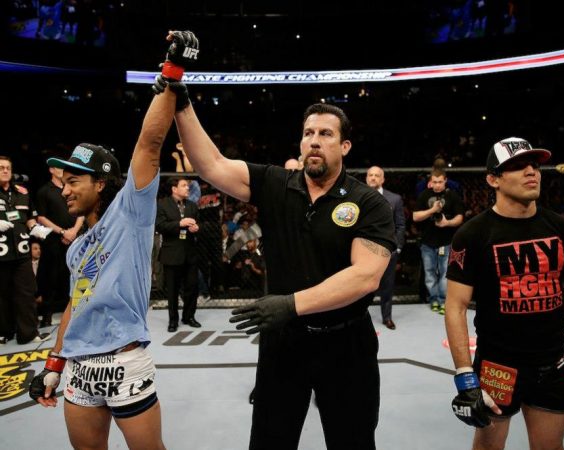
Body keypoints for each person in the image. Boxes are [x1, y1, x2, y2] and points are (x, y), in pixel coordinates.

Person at [158, 79, 396, 448]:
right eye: (308, 133)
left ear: (344, 146)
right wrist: (181, 103)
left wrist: (291, 304)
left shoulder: (368, 202)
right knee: (271, 440)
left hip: (346, 343)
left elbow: (365, 277)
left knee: (352, 441)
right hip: (284, 342)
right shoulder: (275, 182)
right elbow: (211, 165)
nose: (314, 141)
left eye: (326, 134)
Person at [28, 30, 199, 450]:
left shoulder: (130, 212)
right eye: (62, 182)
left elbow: (149, 144)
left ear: (101, 183)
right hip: (80, 367)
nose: (64, 190)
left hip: (125, 361)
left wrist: (172, 72)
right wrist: (54, 362)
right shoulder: (76, 247)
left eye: (74, 181)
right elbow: (76, 304)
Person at [445, 137, 564, 449]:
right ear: (493, 179)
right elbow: (455, 306)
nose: (531, 172)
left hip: (551, 364)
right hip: (497, 367)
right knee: (488, 446)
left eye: (535, 165)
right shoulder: (472, 234)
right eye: (518, 166)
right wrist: (465, 377)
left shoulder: (561, 228)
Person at [0, 155, 52, 345]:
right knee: (2, 295)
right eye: (1, 168)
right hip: (1, 255)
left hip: (22, 252)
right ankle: (3, 332)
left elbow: (30, 216)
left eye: (8, 167)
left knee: (26, 293)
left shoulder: (22, 192)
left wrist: (35, 228)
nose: (5, 171)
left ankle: (28, 334)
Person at [35, 164, 85, 326]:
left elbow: (82, 211)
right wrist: (63, 232)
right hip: (54, 241)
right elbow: (41, 217)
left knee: (75, 276)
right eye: (58, 167)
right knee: (51, 277)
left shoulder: (73, 189)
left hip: (76, 239)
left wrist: (73, 231)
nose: (62, 170)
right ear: (51, 170)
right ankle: (47, 315)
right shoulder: (44, 191)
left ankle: (74, 313)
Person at [413, 167, 464, 314]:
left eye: (440, 182)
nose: (437, 185)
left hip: (446, 241)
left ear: (445, 181)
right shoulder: (424, 195)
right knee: (429, 273)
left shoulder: (452, 196)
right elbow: (415, 217)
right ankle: (433, 299)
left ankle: (443, 300)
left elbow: (460, 217)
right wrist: (432, 210)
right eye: (434, 182)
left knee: (445, 273)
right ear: (430, 182)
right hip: (427, 241)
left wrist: (447, 223)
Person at [156, 177, 202, 332]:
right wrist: (179, 224)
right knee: (173, 290)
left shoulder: (192, 205)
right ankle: (173, 320)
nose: (188, 188)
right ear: (174, 189)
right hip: (172, 253)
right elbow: (160, 226)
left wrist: (196, 228)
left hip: (190, 253)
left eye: (187, 186)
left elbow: (199, 224)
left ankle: (189, 316)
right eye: (184, 186)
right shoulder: (163, 204)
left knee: (192, 287)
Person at [366, 166, 405, 329]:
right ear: (366, 178)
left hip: (388, 250)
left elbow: (400, 225)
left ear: (382, 179)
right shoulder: (357, 196)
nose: (373, 178)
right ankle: (359, 317)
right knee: (361, 284)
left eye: (377, 175)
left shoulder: (394, 199)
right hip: (364, 250)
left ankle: (387, 317)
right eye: (370, 175)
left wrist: (398, 247)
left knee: (387, 285)